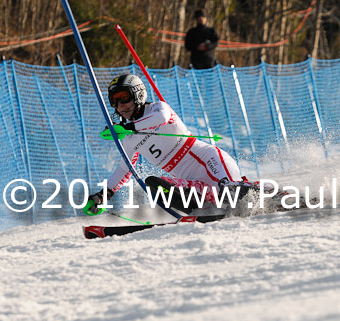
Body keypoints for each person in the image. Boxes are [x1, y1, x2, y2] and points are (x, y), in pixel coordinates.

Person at [83, 74, 251, 216]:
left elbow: (161, 118)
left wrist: (128, 128)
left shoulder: (158, 109)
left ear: (138, 95)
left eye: (124, 98)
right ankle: (203, 209)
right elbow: (124, 169)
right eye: (114, 101)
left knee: (229, 191)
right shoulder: (127, 138)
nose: (120, 105)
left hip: (209, 162)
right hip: (190, 181)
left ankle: (264, 194)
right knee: (155, 184)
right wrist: (104, 195)